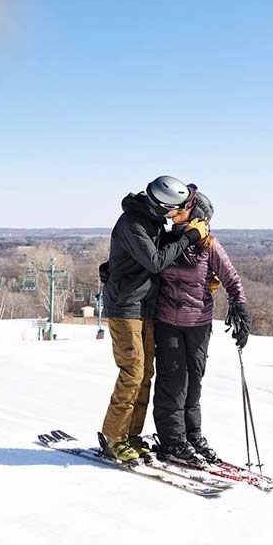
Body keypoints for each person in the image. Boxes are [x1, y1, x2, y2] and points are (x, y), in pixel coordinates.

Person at [99, 176, 210, 464]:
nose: (177, 213)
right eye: (175, 208)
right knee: (133, 373)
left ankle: (131, 435)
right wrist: (190, 237)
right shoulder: (132, 223)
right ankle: (113, 437)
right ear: (161, 206)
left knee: (146, 374)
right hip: (125, 308)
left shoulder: (152, 220)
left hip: (144, 306)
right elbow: (156, 261)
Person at [152, 187, 251, 465]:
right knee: (173, 381)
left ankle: (192, 435)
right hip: (167, 323)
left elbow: (233, 281)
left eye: (181, 208)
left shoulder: (209, 245)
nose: (174, 213)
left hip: (198, 324)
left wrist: (241, 309)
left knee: (194, 381)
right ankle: (172, 440)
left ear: (195, 214)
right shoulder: (163, 240)